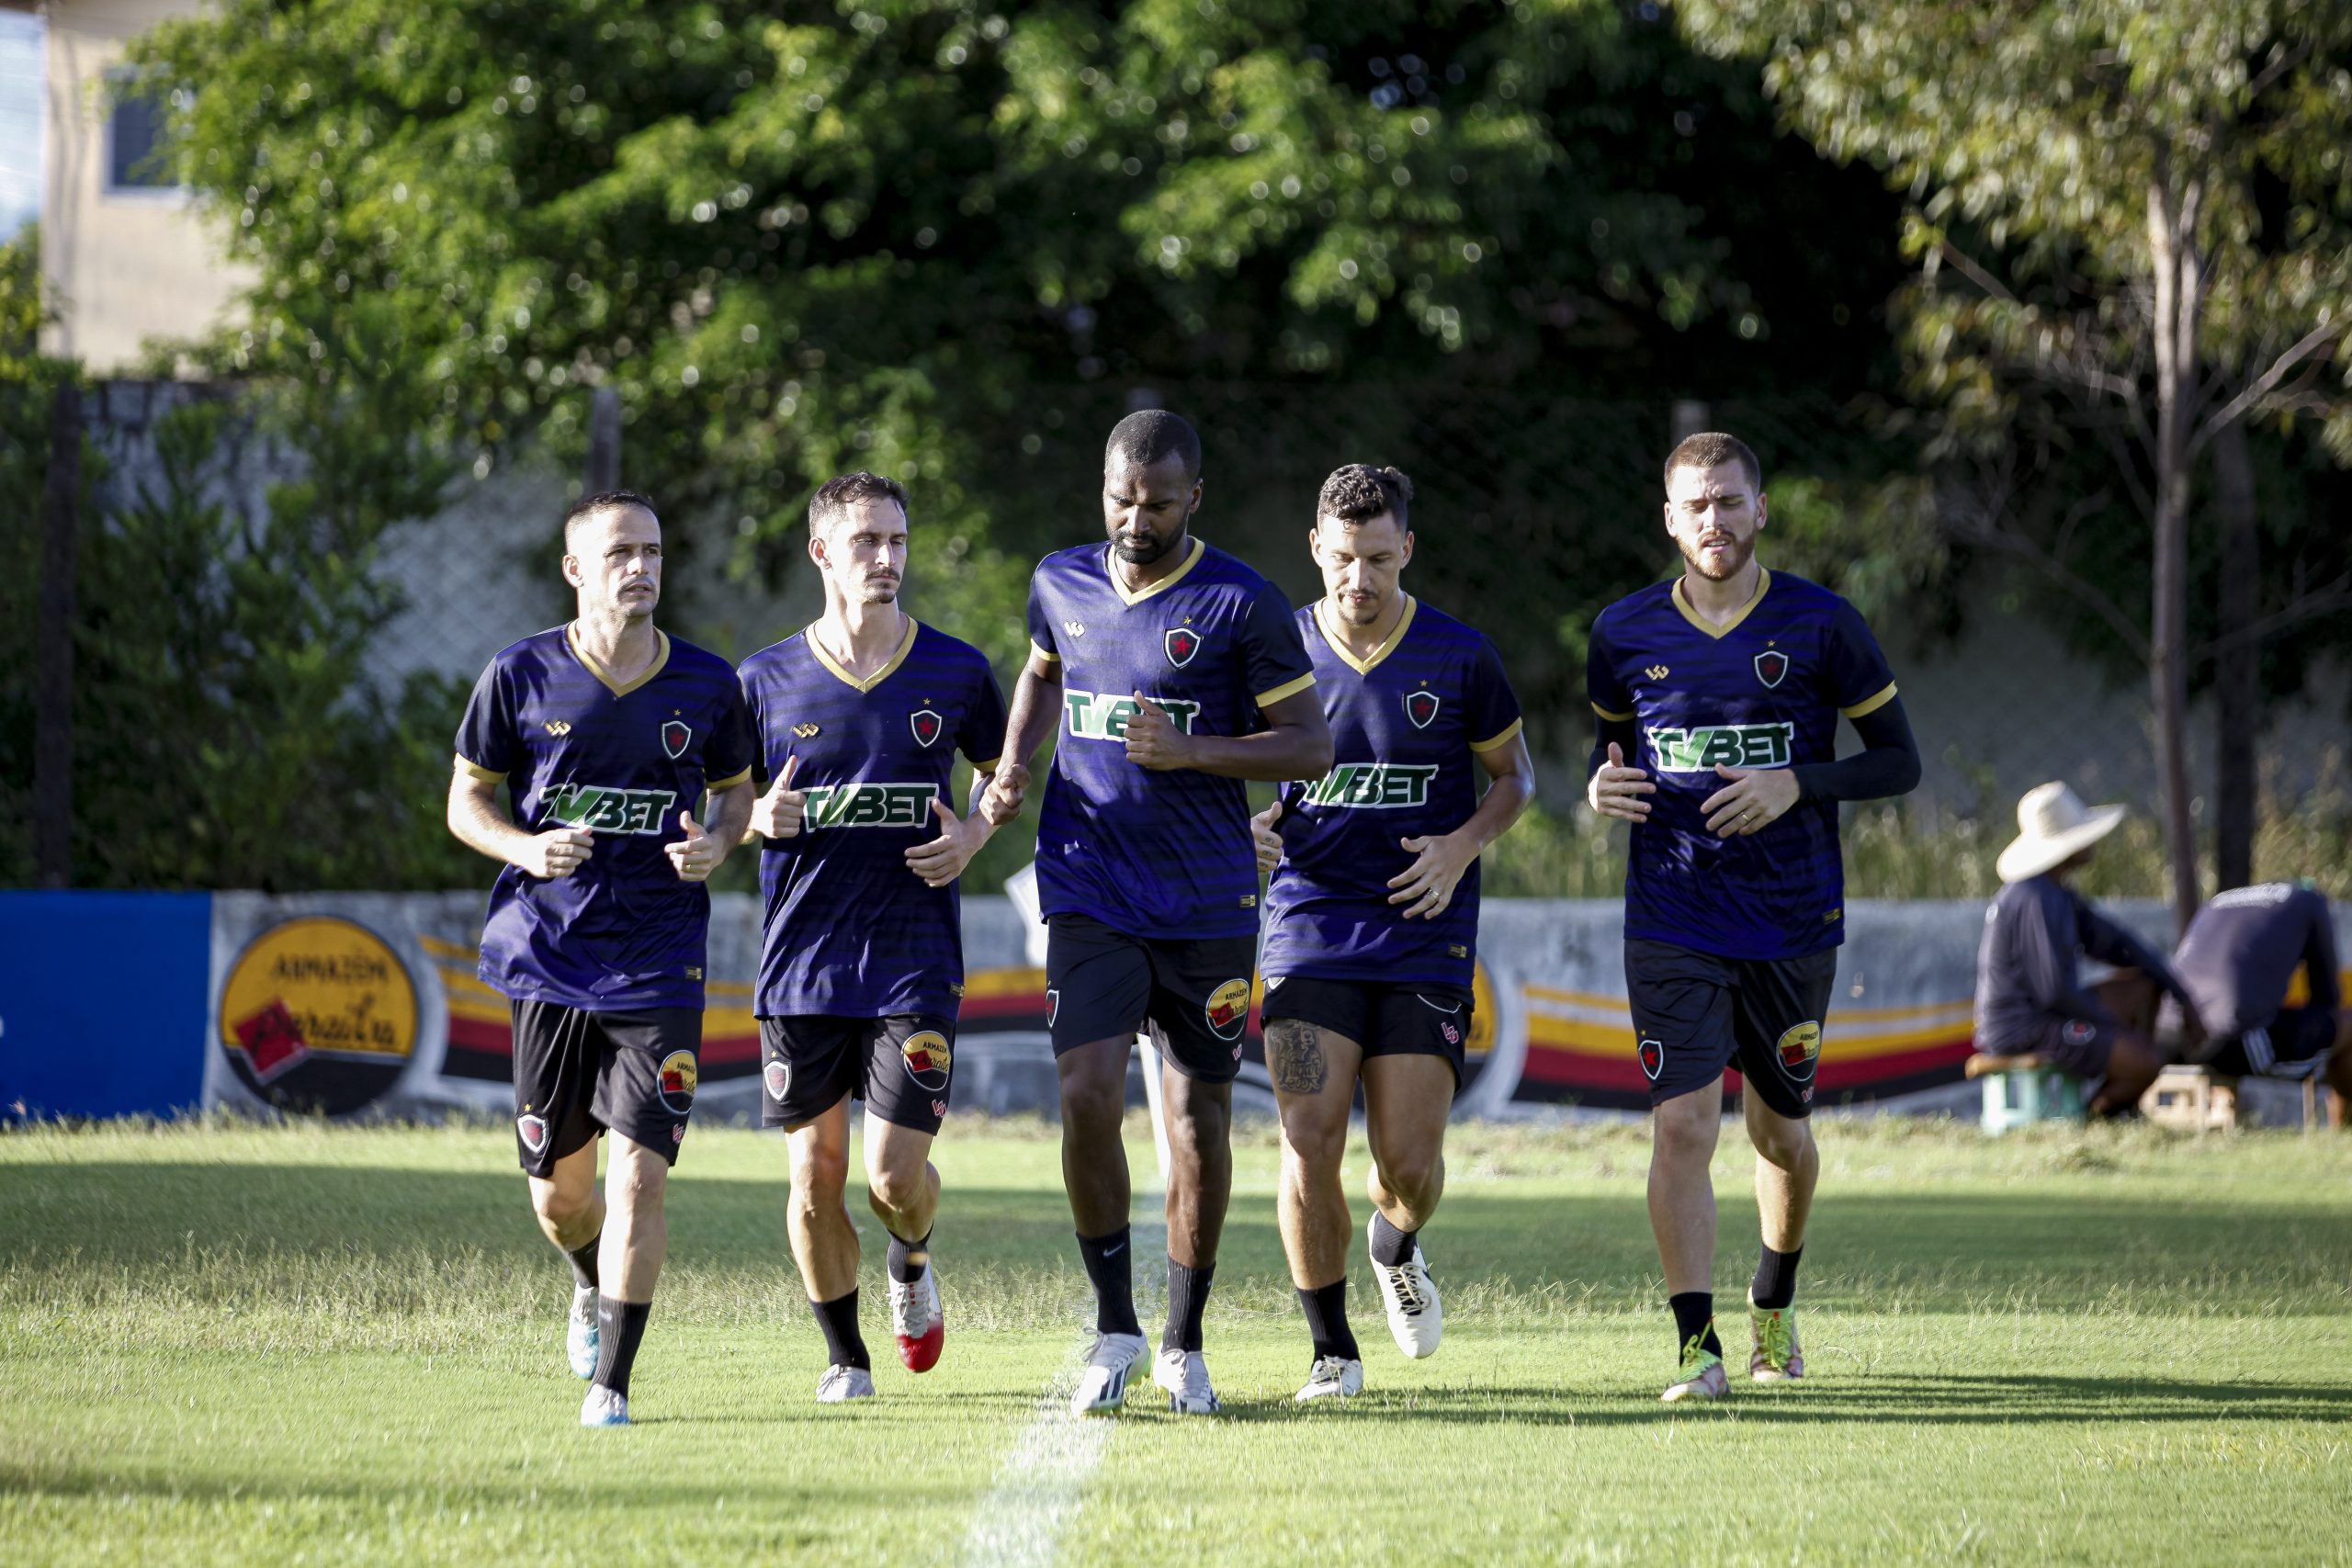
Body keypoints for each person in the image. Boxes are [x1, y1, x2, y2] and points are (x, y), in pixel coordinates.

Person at [980, 409, 1331, 1416]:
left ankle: (1183, 1341)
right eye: (1120, 498)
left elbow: (1309, 746)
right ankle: (1114, 1327)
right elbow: (1043, 673)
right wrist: (1011, 770)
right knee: (1086, 1091)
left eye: (1158, 502)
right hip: (1087, 884)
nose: (1136, 518)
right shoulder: (1060, 579)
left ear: (1195, 499)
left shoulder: (1241, 604)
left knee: (1195, 1120)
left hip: (1205, 896)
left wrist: (1194, 752)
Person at [1586, 432, 1921, 1403]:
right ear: (1669, 519)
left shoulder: (1822, 624)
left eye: (1730, 502)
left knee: (1779, 1135)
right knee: (1684, 1126)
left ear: (1760, 509)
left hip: (1791, 918)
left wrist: (1795, 783)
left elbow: (1896, 760)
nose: (1714, 522)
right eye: (1695, 505)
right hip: (1671, 915)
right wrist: (1606, 792)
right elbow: (1617, 758)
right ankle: (1697, 1351)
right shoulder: (1623, 632)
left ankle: (1772, 1299)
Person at [447, 490, 757, 1427]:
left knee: (639, 1175)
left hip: (661, 959)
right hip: (548, 959)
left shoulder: (707, 685)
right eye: (620, 552)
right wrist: (524, 848)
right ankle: (586, 1278)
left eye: (653, 552)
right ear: (576, 570)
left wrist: (718, 842)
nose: (642, 568)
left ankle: (611, 1385)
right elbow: (467, 802)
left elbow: (736, 798)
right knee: (560, 1199)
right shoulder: (519, 674)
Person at [1249, 464, 1535, 1403]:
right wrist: (1237, 829)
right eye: (1342, 558)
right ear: (1315, 549)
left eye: (1377, 558)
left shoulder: (1459, 656)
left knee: (1407, 1164)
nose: (1358, 578)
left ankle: (1395, 1242)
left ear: (1405, 550)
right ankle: (1330, 1352)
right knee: (1307, 1134)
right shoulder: (1272, 648)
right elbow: (1209, 762)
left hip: (1422, 933)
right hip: (1306, 927)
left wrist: (1457, 848)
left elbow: (1513, 779)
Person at [737, 472, 1009, 1404]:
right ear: (822, 553)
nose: (888, 559)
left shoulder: (958, 672)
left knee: (893, 1177)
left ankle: (911, 1260)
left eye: (897, 540)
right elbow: (714, 809)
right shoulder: (763, 680)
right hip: (800, 970)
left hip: (914, 962)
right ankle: (845, 1359)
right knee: (814, 1183)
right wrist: (751, 823)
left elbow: (1001, 778)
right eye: (866, 542)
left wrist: (971, 835)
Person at [1974, 782, 2195, 1118]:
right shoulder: (2035, 898)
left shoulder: (2056, 893)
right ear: (2067, 845)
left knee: (2141, 985)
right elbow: (2052, 991)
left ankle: (2116, 1088)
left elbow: (2117, 943)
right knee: (2147, 1064)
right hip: (2025, 1027)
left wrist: (2180, 992)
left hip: (2047, 1013)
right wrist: (2109, 1025)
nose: (2093, 840)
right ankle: (2097, 1115)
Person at [2165, 881, 2349, 1122]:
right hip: (2234, 1042)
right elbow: (2327, 997)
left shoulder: (2218, 901)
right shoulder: (2310, 901)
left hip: (2169, 1038)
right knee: (2345, 1025)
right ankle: (2343, 1130)